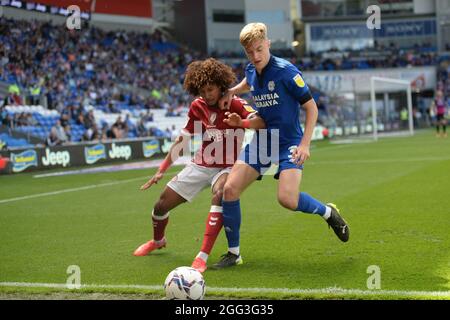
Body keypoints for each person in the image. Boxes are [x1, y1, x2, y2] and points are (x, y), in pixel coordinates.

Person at [214, 22, 350, 269]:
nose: (255, 56)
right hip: (263, 140)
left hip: (289, 142)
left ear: (268, 44)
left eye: (259, 49)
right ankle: (234, 254)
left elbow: (311, 107)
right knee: (230, 190)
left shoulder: (287, 72)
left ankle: (328, 213)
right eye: (250, 52)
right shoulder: (252, 69)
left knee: (287, 199)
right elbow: (248, 81)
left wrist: (305, 144)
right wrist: (232, 92)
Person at [133, 58, 265, 273]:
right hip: (202, 164)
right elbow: (182, 141)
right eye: (202, 90)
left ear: (221, 85)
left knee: (220, 194)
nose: (207, 94)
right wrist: (161, 170)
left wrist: (242, 123)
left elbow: (260, 121)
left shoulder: (236, 103)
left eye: (210, 89)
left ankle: (202, 256)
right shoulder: (198, 106)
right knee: (161, 206)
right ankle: (158, 241)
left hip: (228, 166)